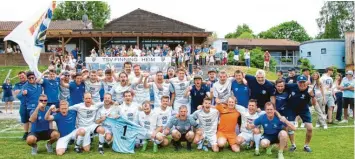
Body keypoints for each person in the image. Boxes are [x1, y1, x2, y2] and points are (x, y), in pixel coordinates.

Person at [284, 75, 316, 152]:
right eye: (300, 82)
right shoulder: (292, 86)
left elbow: (314, 103)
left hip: (304, 109)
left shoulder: (310, 89)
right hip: (291, 108)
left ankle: (306, 145)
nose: (302, 84)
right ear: (297, 82)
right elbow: (280, 83)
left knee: (310, 128)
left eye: (303, 82)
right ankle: (293, 145)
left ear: (306, 82)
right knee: (289, 127)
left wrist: (312, 95)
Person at [13, 71, 29, 140]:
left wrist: (20, 91)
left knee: (32, 119)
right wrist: (22, 91)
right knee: (24, 119)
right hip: (23, 104)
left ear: (25, 75)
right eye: (20, 76)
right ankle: (26, 133)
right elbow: (16, 92)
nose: (21, 77)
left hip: (31, 103)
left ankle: (32, 133)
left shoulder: (30, 81)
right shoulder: (17, 84)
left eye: (22, 75)